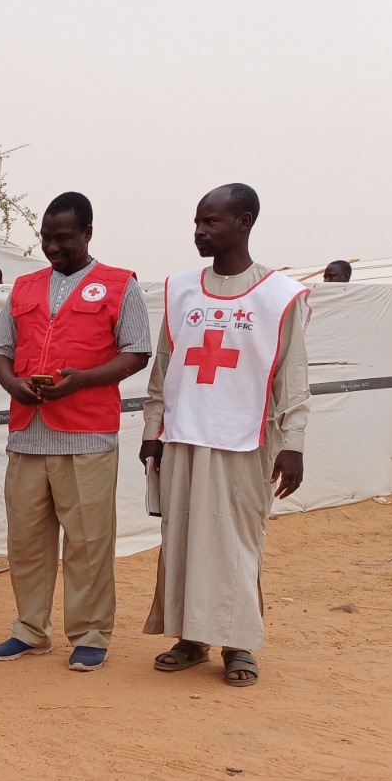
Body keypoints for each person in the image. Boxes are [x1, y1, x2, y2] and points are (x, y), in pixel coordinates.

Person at [142, 183, 310, 688]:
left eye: (211, 222)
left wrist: (294, 444)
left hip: (246, 440)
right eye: (197, 221)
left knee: (237, 543)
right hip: (183, 436)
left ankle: (238, 645)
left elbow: (293, 376)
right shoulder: (181, 290)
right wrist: (153, 429)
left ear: (244, 221)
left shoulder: (281, 295)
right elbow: (164, 366)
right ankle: (191, 638)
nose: (199, 231)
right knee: (183, 540)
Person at [0, 192, 152, 672]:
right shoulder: (24, 287)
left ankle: (91, 633)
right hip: (27, 433)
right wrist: (13, 384)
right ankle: (30, 630)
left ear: (88, 234)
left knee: (88, 541)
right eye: (46, 239)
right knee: (27, 541)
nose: (53, 248)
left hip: (87, 435)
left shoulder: (119, 285)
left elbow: (137, 351)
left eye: (64, 239)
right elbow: (0, 348)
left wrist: (83, 380)